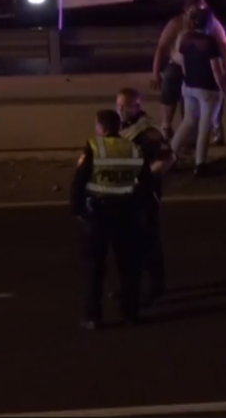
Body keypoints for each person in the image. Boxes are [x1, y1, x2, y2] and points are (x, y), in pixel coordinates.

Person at [70, 110, 154, 330]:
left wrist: (78, 210)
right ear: (118, 127)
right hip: (126, 214)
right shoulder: (134, 149)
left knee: (94, 268)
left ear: (100, 127)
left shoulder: (94, 148)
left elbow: (79, 182)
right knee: (129, 268)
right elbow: (146, 184)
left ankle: (92, 317)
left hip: (97, 215)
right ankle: (130, 314)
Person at [116, 88, 176, 306]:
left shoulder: (147, 131)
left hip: (143, 194)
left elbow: (168, 158)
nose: (119, 109)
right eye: (118, 105)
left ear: (136, 106)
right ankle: (130, 286)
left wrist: (144, 177)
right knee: (127, 243)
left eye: (123, 106)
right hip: (124, 193)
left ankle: (155, 285)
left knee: (148, 240)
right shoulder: (121, 127)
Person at [151, 0, 226, 143]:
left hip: (203, 65)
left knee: (217, 87)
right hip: (180, 65)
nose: (196, 17)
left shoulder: (211, 24)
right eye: (193, 12)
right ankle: (166, 126)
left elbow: (224, 45)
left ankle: (216, 126)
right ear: (185, 11)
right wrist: (155, 73)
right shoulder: (177, 24)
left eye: (200, 12)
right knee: (170, 77)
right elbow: (162, 47)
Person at [169, 5, 226, 177]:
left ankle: (169, 157)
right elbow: (217, 71)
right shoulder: (210, 42)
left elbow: (183, 63)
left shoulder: (185, 38)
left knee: (188, 122)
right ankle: (200, 164)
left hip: (189, 87)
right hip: (208, 90)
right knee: (205, 127)